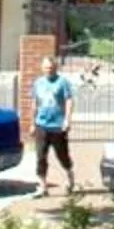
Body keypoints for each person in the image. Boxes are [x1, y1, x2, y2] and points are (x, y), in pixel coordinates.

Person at [31, 54, 76, 192]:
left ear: (55, 68)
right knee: (40, 156)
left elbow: (69, 100)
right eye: (46, 68)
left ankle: (70, 176)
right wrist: (33, 123)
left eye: (51, 68)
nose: (48, 70)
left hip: (57, 126)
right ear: (42, 68)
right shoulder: (38, 83)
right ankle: (43, 185)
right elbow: (34, 103)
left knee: (62, 156)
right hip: (41, 125)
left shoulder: (62, 82)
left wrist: (67, 120)